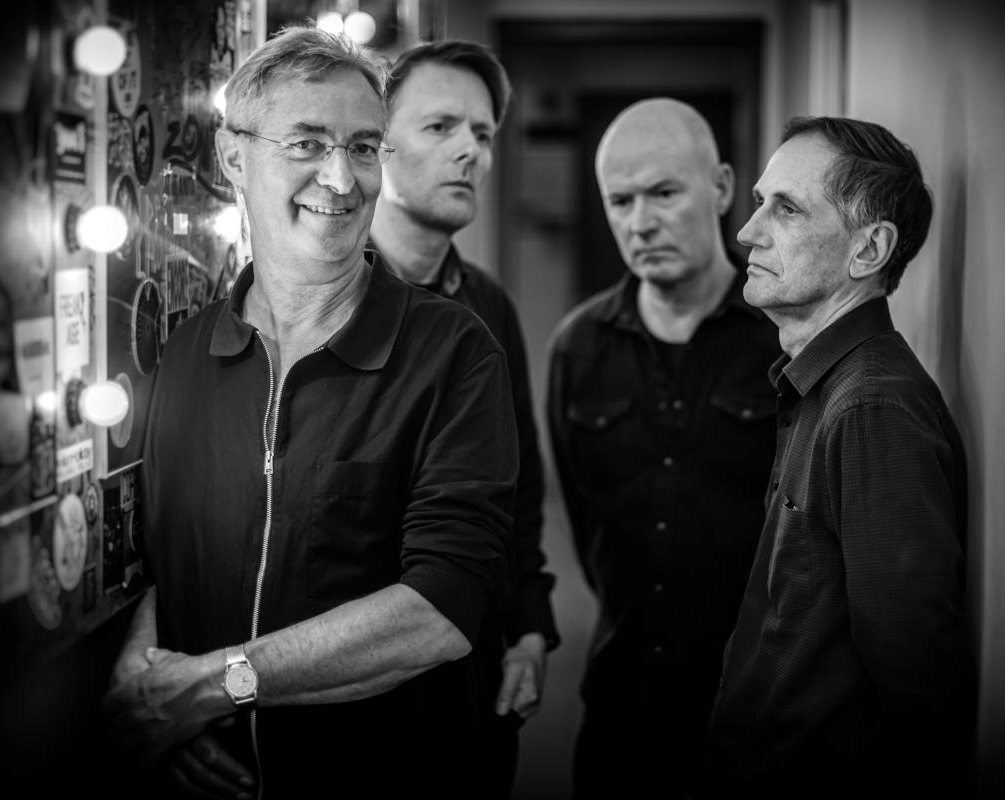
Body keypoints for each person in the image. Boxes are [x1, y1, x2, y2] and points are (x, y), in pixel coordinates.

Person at [101, 26, 519, 799]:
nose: (341, 177)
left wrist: (210, 688)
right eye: (307, 143)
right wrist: (152, 685)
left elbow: (445, 605)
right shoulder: (186, 355)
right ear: (234, 158)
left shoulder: (453, 352)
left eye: (363, 148)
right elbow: (166, 559)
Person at [703, 116, 978, 798]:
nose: (747, 231)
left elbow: (917, 678)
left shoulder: (871, 408)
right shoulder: (824, 384)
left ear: (869, 250)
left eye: (787, 209)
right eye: (760, 201)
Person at [545, 98, 781, 799]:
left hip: (757, 711)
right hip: (621, 707)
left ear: (722, 188)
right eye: (620, 201)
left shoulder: (781, 337)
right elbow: (585, 527)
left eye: (665, 193)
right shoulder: (577, 348)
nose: (640, 223)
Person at [370, 39, 559, 798]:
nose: (470, 151)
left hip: (469, 688)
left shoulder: (488, 306)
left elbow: (519, 487)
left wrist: (529, 627)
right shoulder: (323, 300)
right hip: (344, 690)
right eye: (440, 126)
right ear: (376, 143)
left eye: (482, 134)